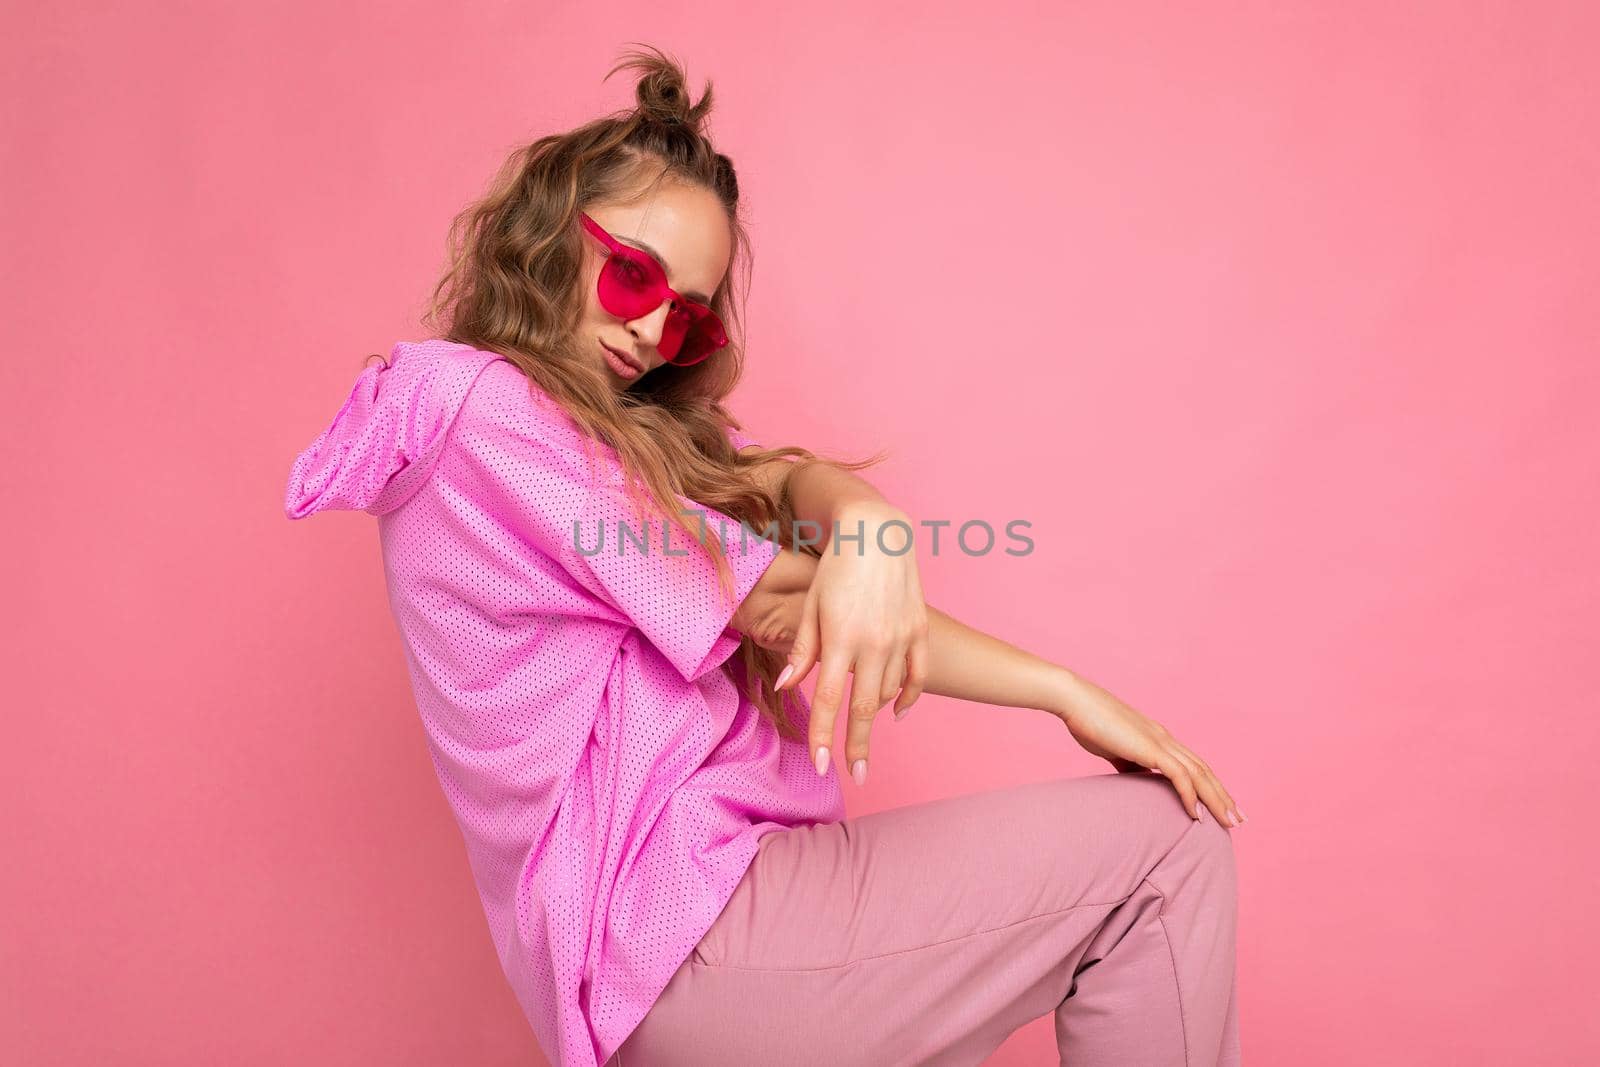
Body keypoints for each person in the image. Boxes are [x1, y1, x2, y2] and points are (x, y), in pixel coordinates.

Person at [283, 44, 1244, 1067]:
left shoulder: (610, 436)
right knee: (1167, 848)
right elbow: (788, 604)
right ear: (551, 234)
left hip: (706, 922)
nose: (653, 328)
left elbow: (786, 478)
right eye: (632, 274)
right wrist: (1060, 688)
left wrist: (868, 519)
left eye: (688, 317)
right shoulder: (478, 408)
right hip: (684, 934)